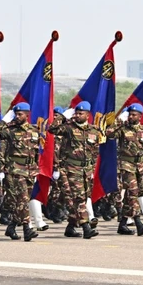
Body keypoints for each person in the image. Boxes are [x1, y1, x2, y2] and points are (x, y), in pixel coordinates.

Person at [49, 101, 103, 239]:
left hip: (87, 169)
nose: (78, 115)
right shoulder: (68, 128)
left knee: (83, 197)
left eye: (81, 113)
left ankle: (71, 227)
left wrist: (92, 170)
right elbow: (52, 129)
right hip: (71, 168)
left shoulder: (94, 131)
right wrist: (61, 116)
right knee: (79, 198)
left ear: (88, 115)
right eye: (76, 113)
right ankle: (86, 227)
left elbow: (95, 152)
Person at [0, 103, 41, 241]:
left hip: (30, 170)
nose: (17, 117)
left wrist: (37, 168)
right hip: (15, 169)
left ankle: (11, 227)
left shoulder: (35, 130)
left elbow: (37, 152)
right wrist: (4, 121)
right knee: (23, 199)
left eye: (20, 114)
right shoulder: (10, 130)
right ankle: (27, 228)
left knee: (22, 201)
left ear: (27, 115)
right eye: (16, 114)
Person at [106, 104, 143, 236]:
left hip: (139, 167)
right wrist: (119, 122)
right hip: (126, 165)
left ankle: (122, 224)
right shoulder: (122, 129)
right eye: (130, 114)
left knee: (129, 196)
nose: (131, 116)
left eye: (134, 114)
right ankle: (138, 222)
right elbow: (109, 134)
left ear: (140, 116)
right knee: (133, 192)